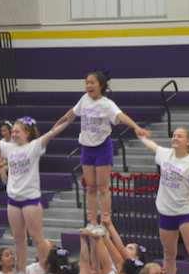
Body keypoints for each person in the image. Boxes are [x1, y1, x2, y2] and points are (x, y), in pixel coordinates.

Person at [59, 71, 151, 230]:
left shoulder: (107, 104)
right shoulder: (84, 99)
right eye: (87, 82)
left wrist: (137, 128)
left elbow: (121, 116)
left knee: (102, 187)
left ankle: (104, 223)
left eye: (92, 82)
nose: (88, 85)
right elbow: (70, 115)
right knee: (90, 187)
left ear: (101, 85)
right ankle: (92, 222)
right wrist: (53, 128)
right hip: (87, 148)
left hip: (102, 148)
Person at [0, 116, 71, 274]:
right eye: (13, 132)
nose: (14, 134)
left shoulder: (34, 146)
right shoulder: (9, 148)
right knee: (18, 238)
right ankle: (21, 271)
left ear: (26, 133)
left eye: (17, 131)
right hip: (13, 199)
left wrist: (69, 118)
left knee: (37, 237)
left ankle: (49, 271)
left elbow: (53, 132)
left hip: (30, 199)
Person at [138, 128, 189, 274]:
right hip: (166, 213)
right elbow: (152, 146)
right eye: (174, 135)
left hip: (185, 213)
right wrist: (142, 137)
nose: (175, 138)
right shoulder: (165, 154)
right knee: (168, 254)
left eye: (179, 136)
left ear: (188, 142)